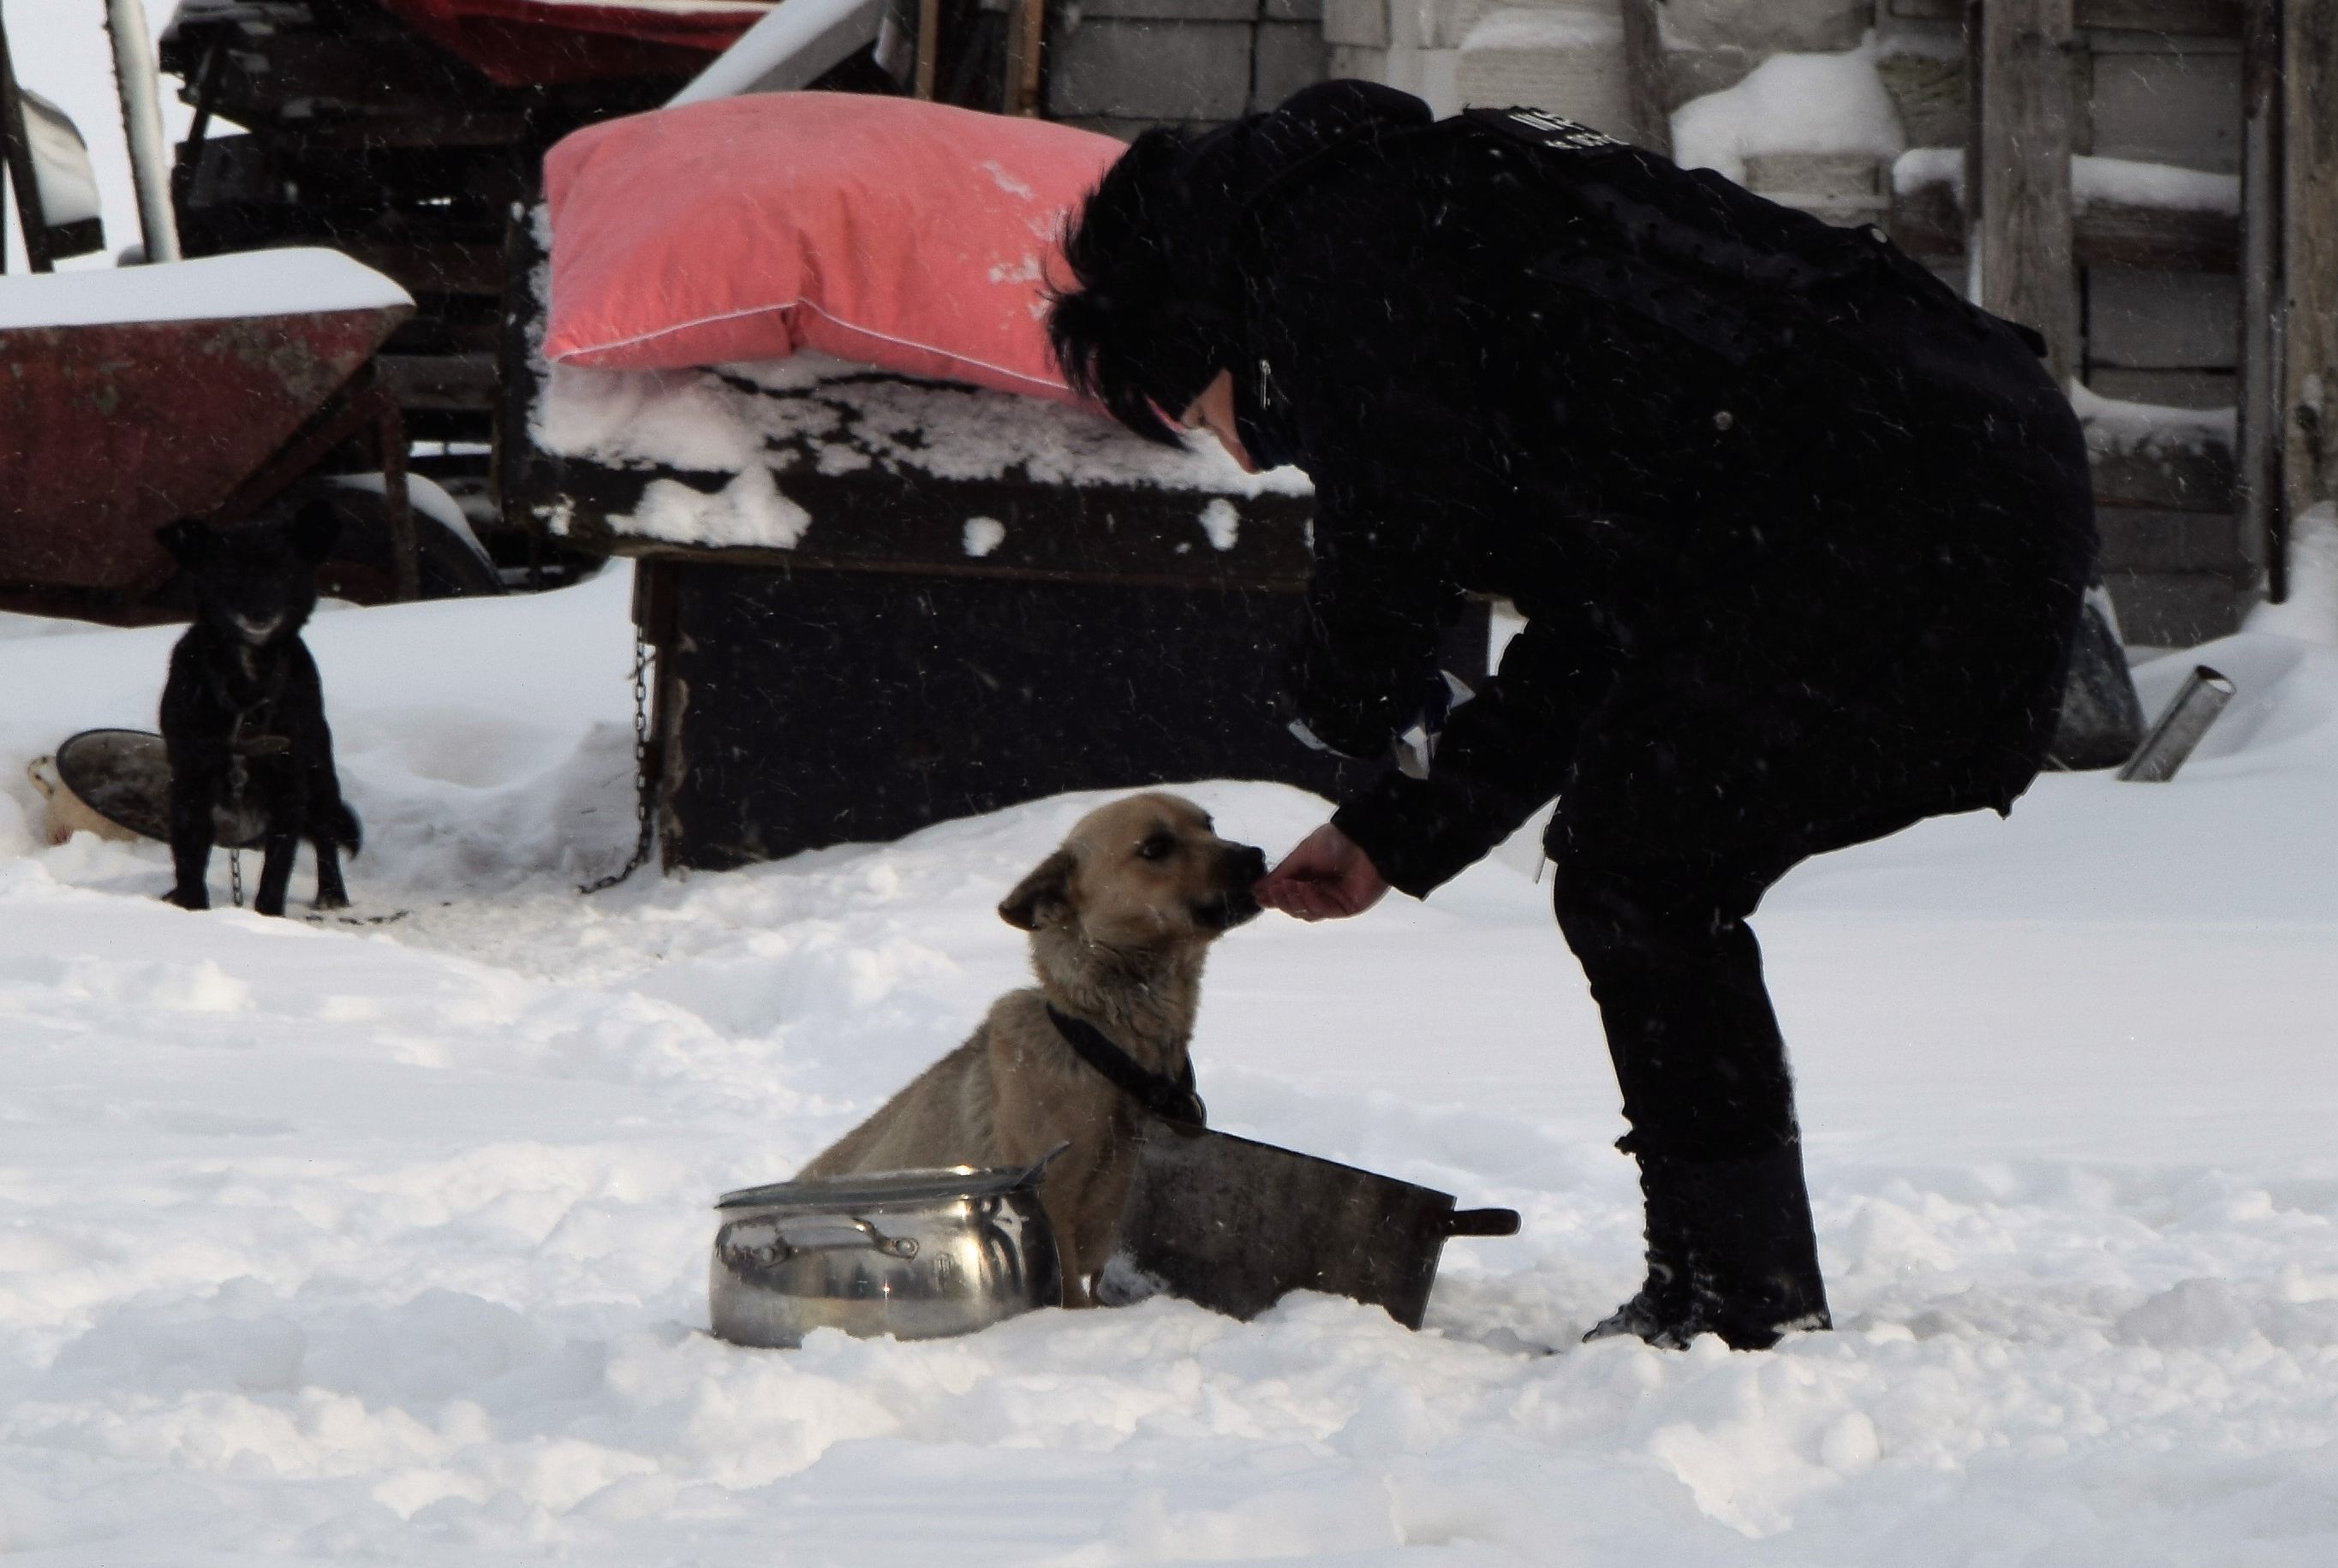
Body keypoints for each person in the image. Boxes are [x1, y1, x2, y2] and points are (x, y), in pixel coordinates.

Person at [1045, 81, 2096, 1350]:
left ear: (1197, 326)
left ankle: (1737, 1300)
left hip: (1908, 504)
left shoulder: (1345, 249)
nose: (1250, 453)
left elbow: (1393, 520)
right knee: (1646, 865)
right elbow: (1606, 615)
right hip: (1933, 484)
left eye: (1201, 412)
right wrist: (1396, 828)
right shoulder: (1430, 245)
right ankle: (1725, 1284)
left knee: (1642, 869)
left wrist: (1339, 696)